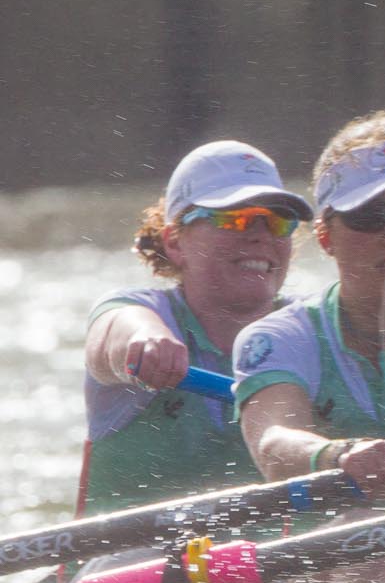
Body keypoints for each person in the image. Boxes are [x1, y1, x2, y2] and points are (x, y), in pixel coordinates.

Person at [233, 115, 385, 583]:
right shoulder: (282, 337)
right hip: (329, 571)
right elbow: (274, 442)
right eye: (369, 216)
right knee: (368, 533)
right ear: (325, 236)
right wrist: (337, 457)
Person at [78, 141, 310, 518]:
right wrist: (143, 344)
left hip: (267, 569)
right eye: (234, 218)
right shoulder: (138, 312)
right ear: (175, 242)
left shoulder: (309, 329)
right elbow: (113, 336)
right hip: (129, 565)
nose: (260, 236)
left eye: (277, 221)